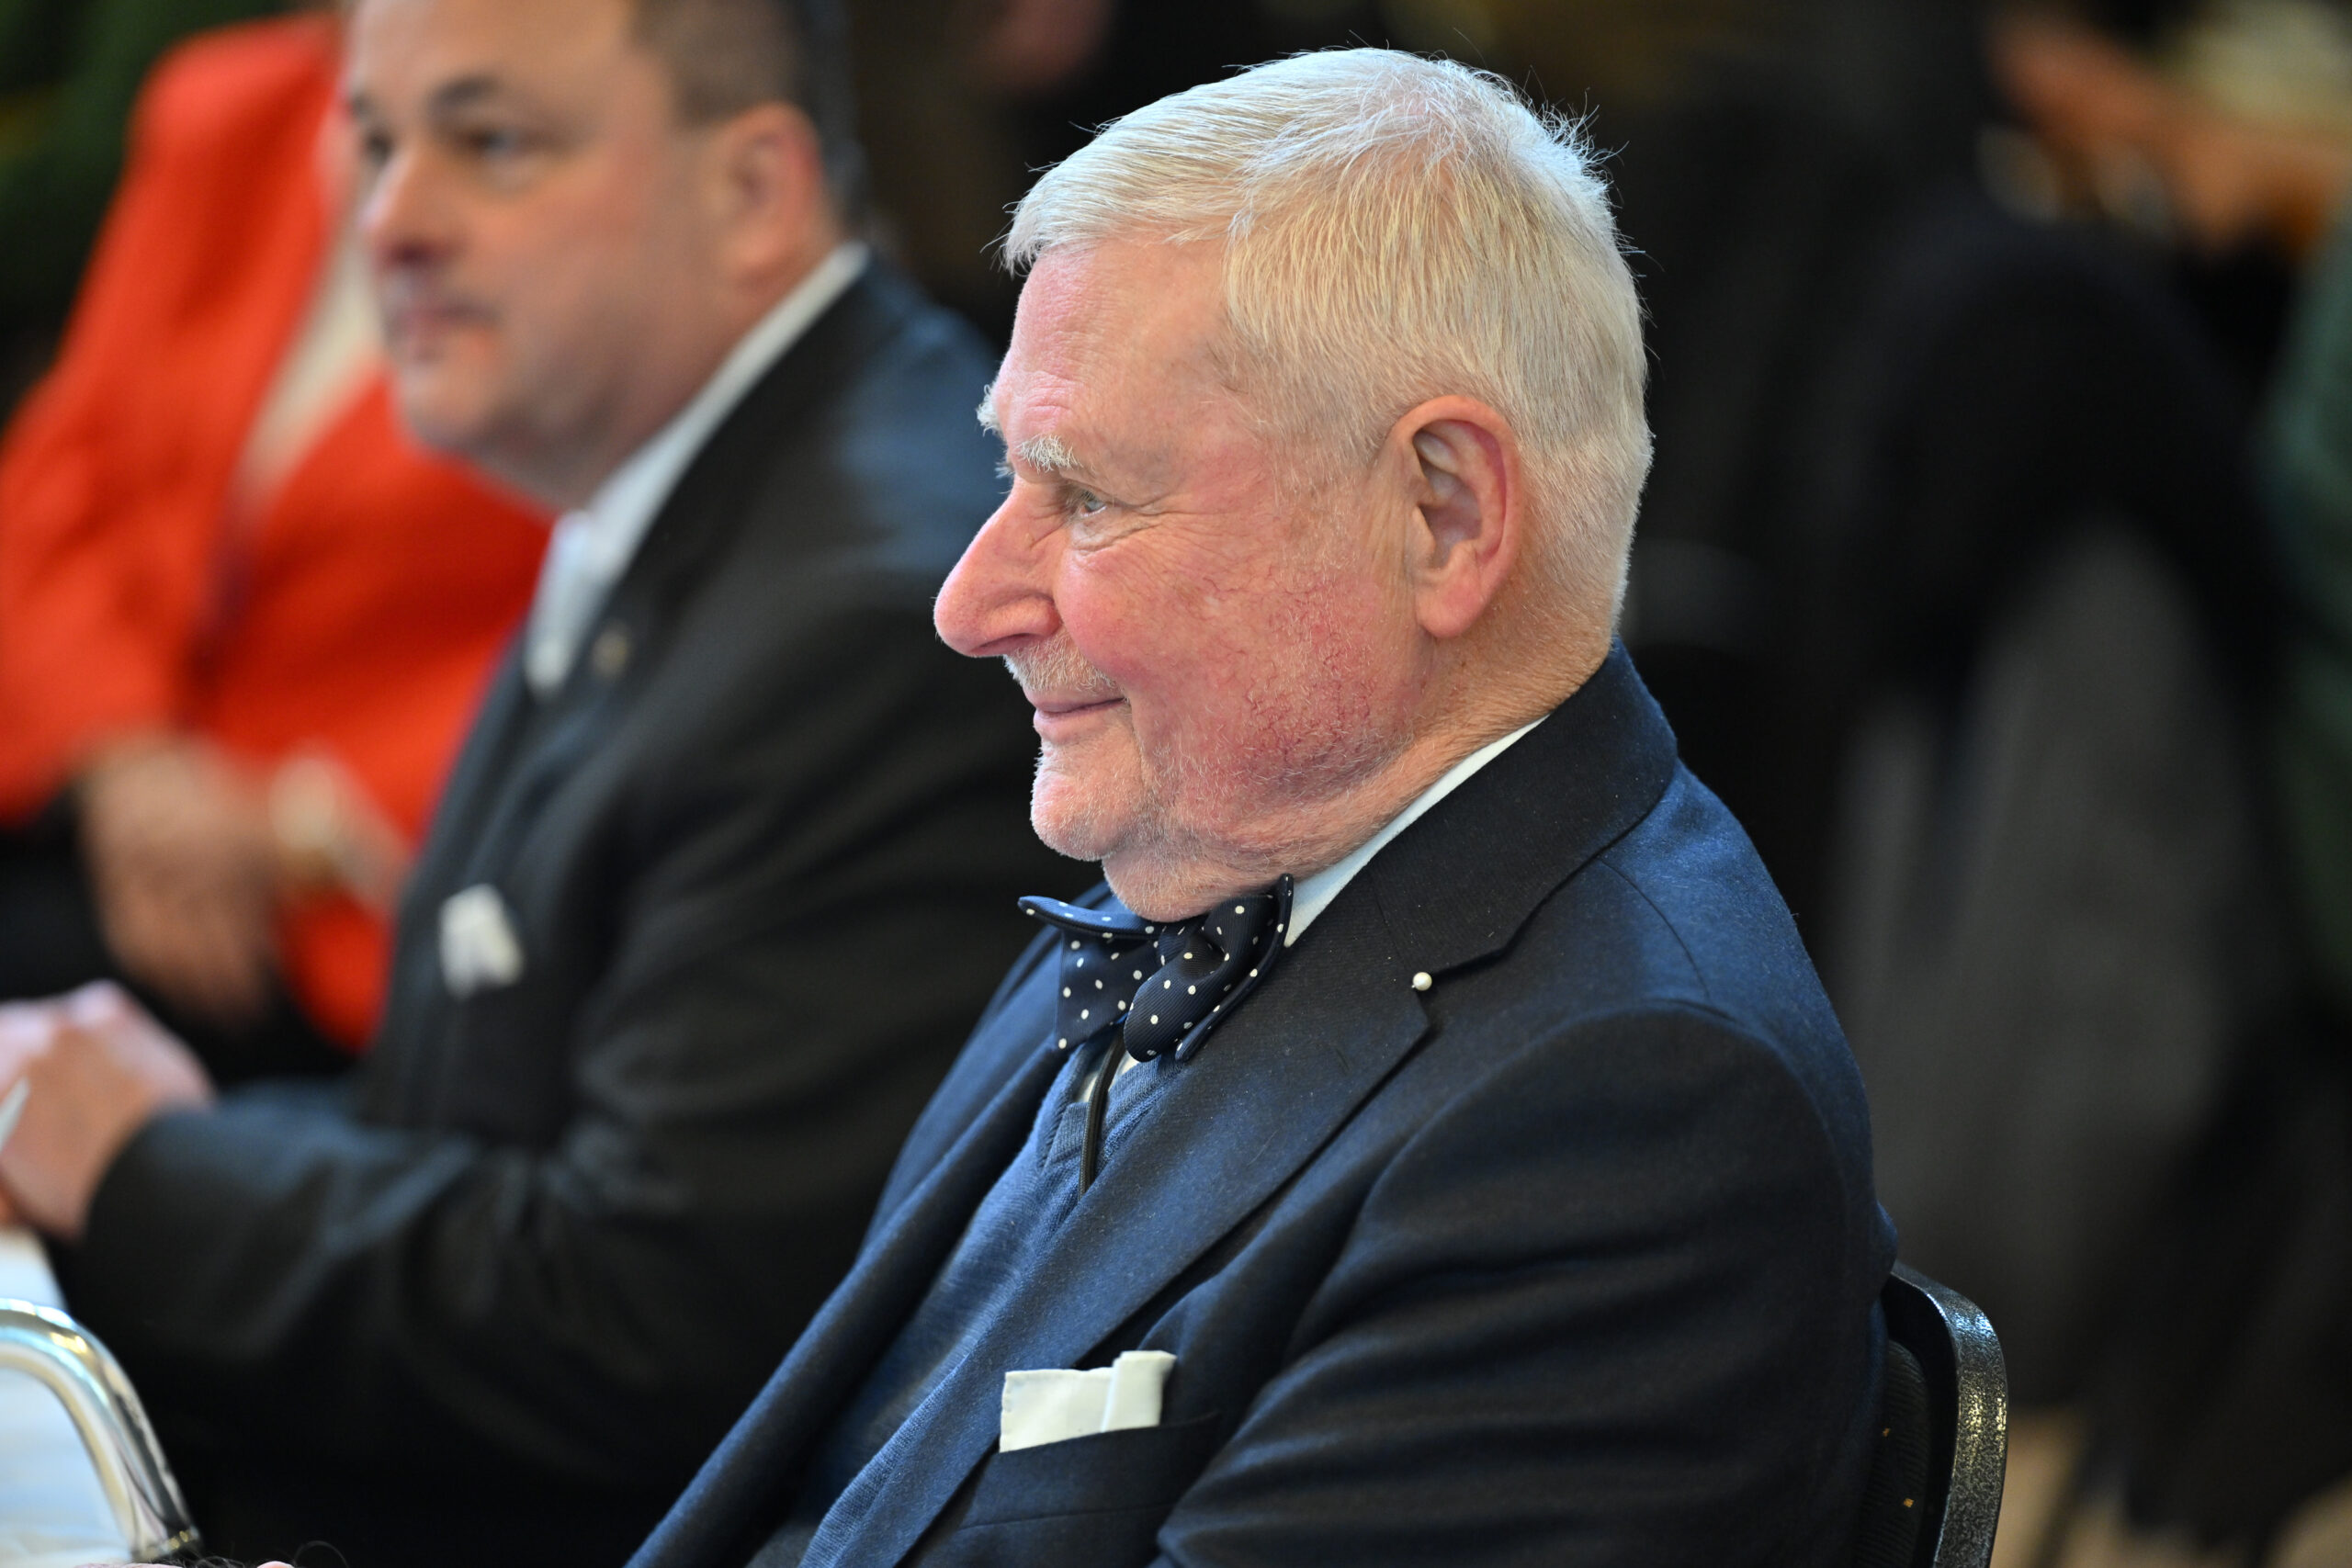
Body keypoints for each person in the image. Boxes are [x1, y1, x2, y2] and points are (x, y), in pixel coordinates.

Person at [634, 49, 1894, 1568]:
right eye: (1008, 474)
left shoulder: (1629, 1122)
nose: (968, 601)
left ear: (1443, 513)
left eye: (1085, 495)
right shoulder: (1207, 855)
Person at [0, 0, 1074, 1561]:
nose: (390, 221)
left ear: (753, 192)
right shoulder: (698, 470)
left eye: (490, 142)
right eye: (375, 143)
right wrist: (141, 1138)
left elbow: (650, 1316)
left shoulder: (866, 612)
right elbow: (477, 1116)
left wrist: (139, 1170)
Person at [0, 8, 548, 1077]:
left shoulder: (593, 182)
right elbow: (65, 472)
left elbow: (607, 626)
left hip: (342, 897)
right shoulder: (231, 110)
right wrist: (126, 760)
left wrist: (292, 826)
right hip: (96, 771)